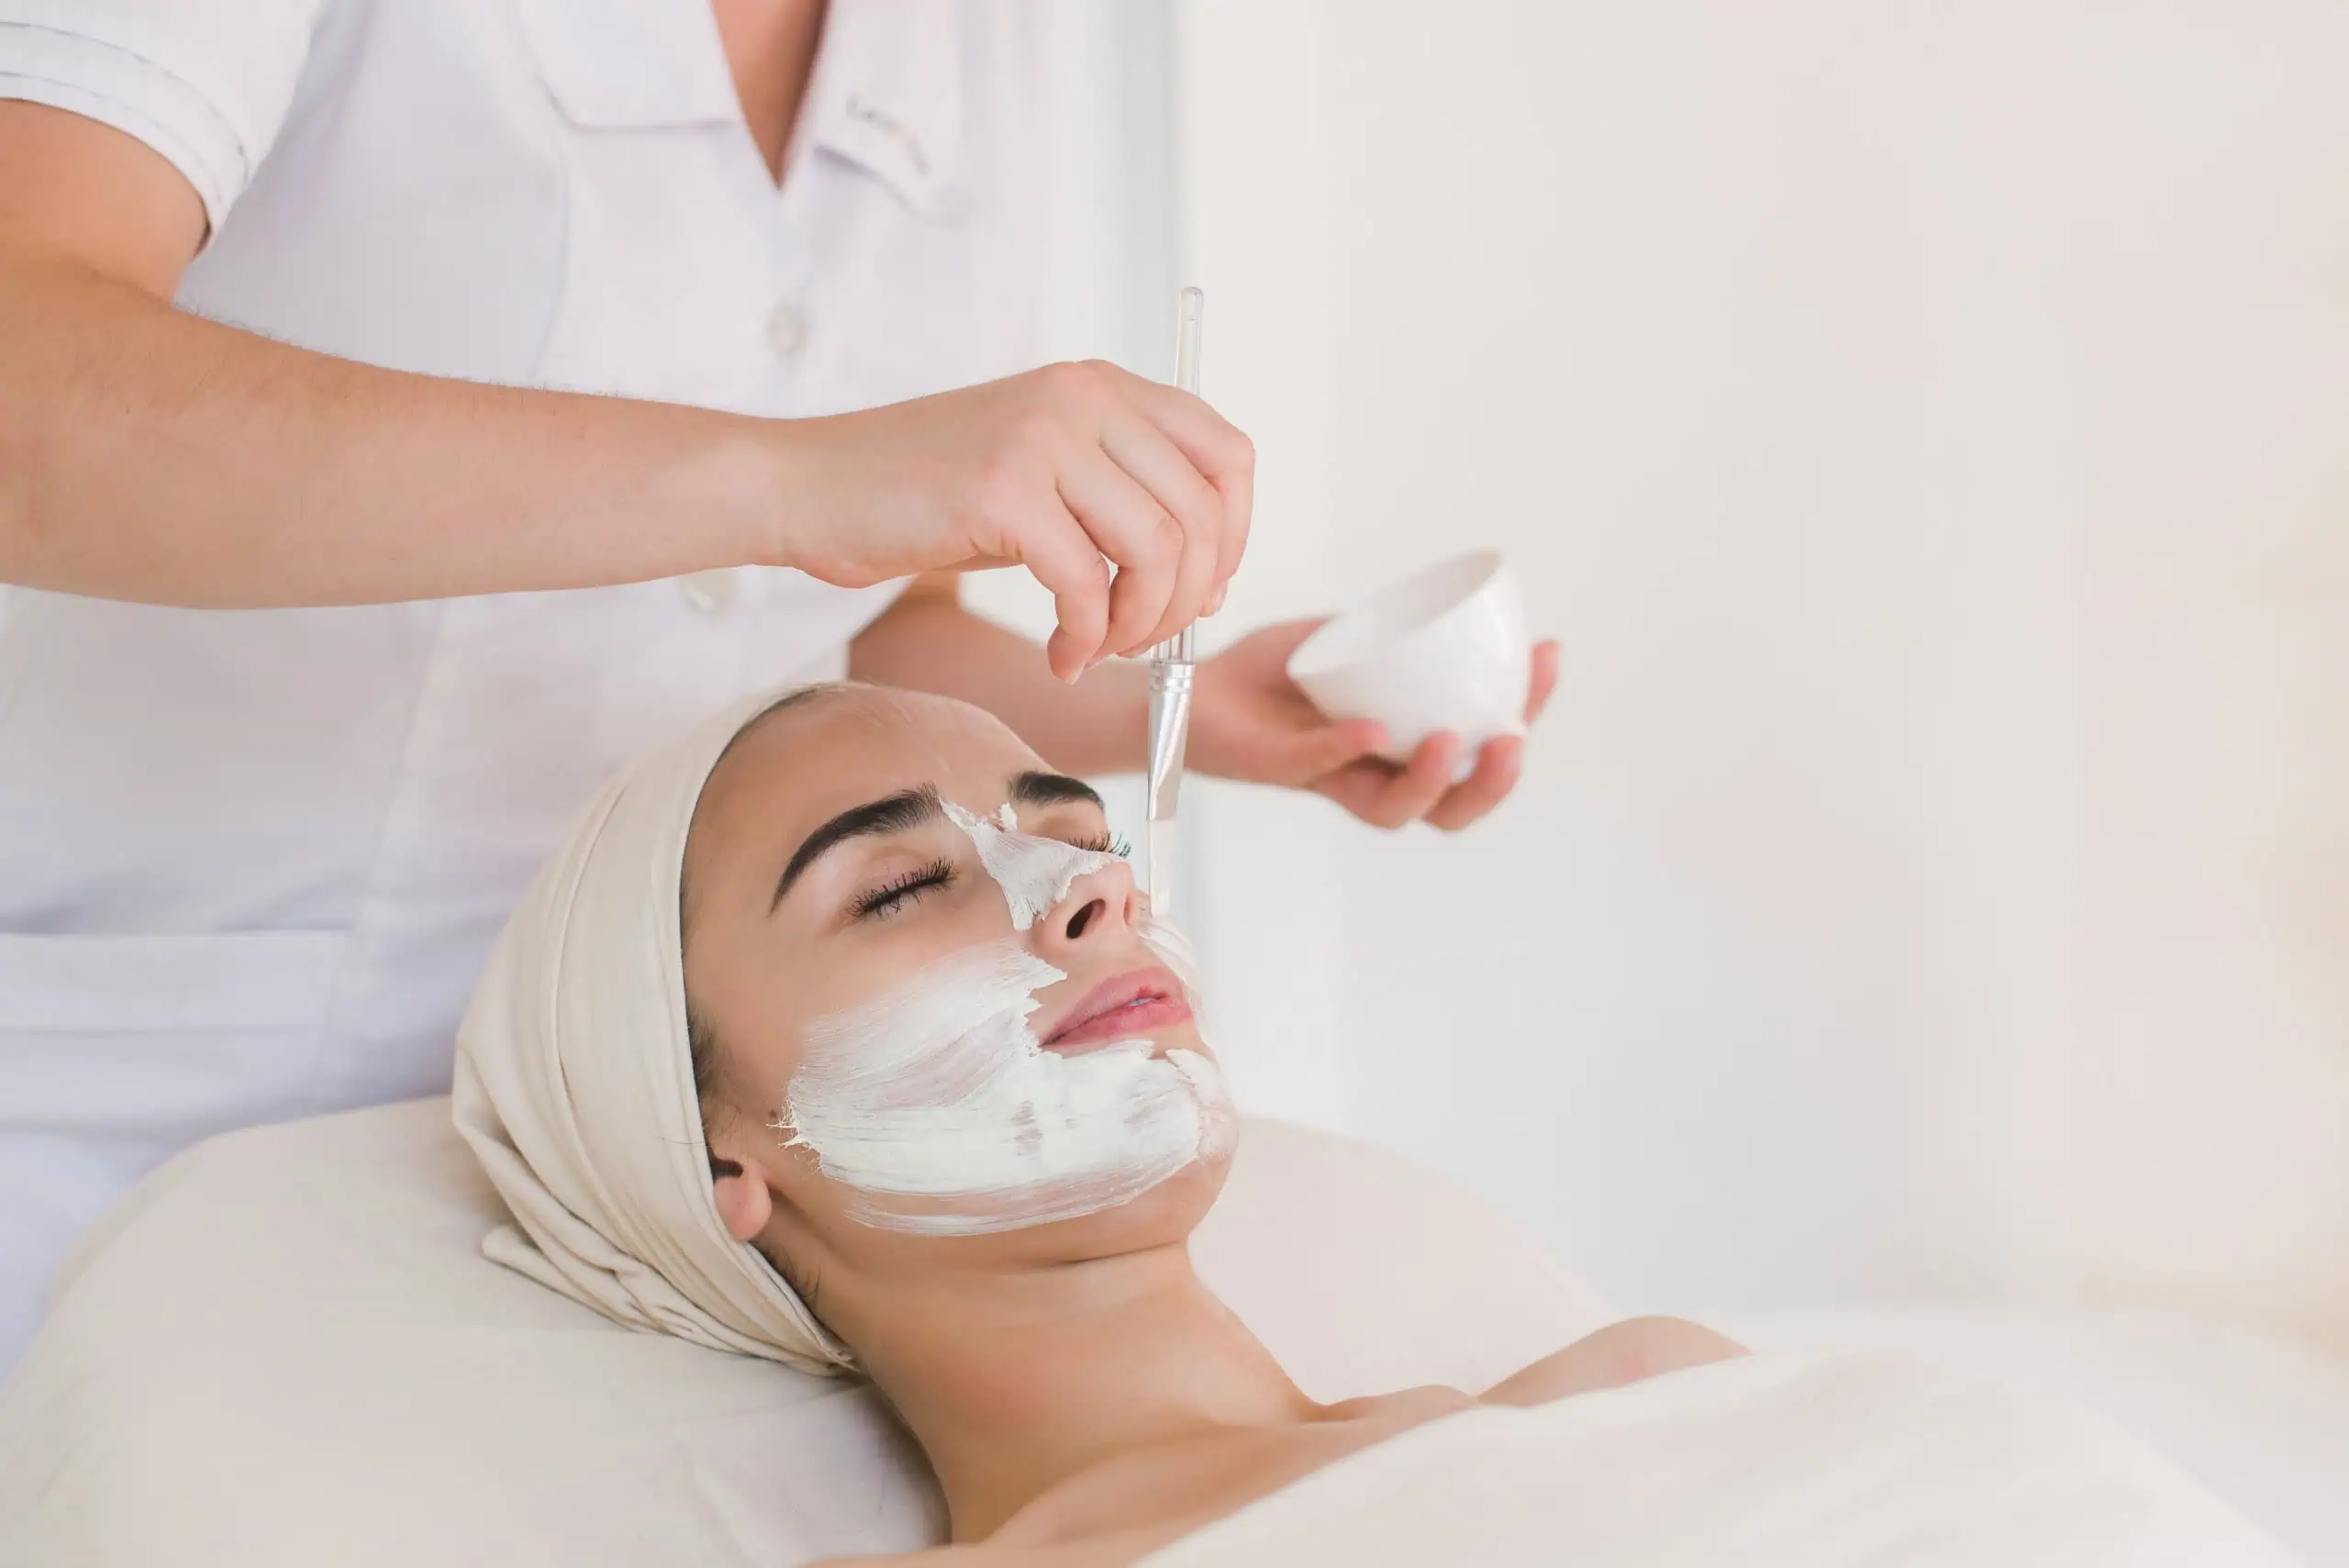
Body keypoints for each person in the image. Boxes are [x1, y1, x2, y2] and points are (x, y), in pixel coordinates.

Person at [0, 3, 1557, 1371]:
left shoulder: (976, 35)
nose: (1086, 898)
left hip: (678, 1191)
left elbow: (823, 620)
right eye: (899, 888)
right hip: (123, 1098)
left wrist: (1186, 706)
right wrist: (795, 478)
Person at [452, 681, 1736, 1564]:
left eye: (1081, 836)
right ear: (714, 1152)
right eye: (898, 889)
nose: (1090, 890)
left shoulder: (1648, 1390)